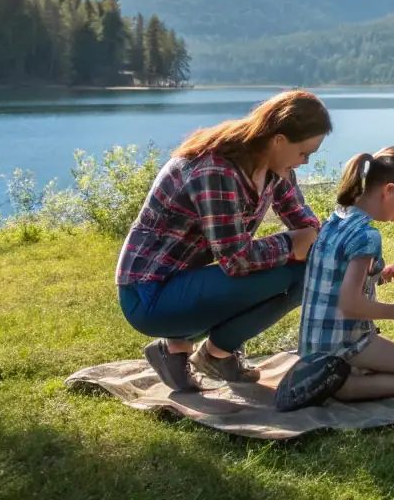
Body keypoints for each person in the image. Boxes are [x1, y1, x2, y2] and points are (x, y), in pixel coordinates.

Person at [116, 89, 329, 392]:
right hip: (149, 295)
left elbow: (308, 227)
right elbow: (237, 259)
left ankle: (206, 352)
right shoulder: (216, 168)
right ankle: (190, 346)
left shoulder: (274, 168)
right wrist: (291, 244)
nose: (305, 162)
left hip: (187, 282)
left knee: (309, 272)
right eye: (304, 153)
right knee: (301, 272)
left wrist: (356, 256)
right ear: (279, 140)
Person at [296, 147, 394, 402]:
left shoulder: (335, 220)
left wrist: (380, 275)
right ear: (389, 190)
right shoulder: (367, 236)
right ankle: (343, 385)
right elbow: (351, 305)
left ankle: (335, 375)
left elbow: (339, 278)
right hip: (343, 346)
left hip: (312, 346)